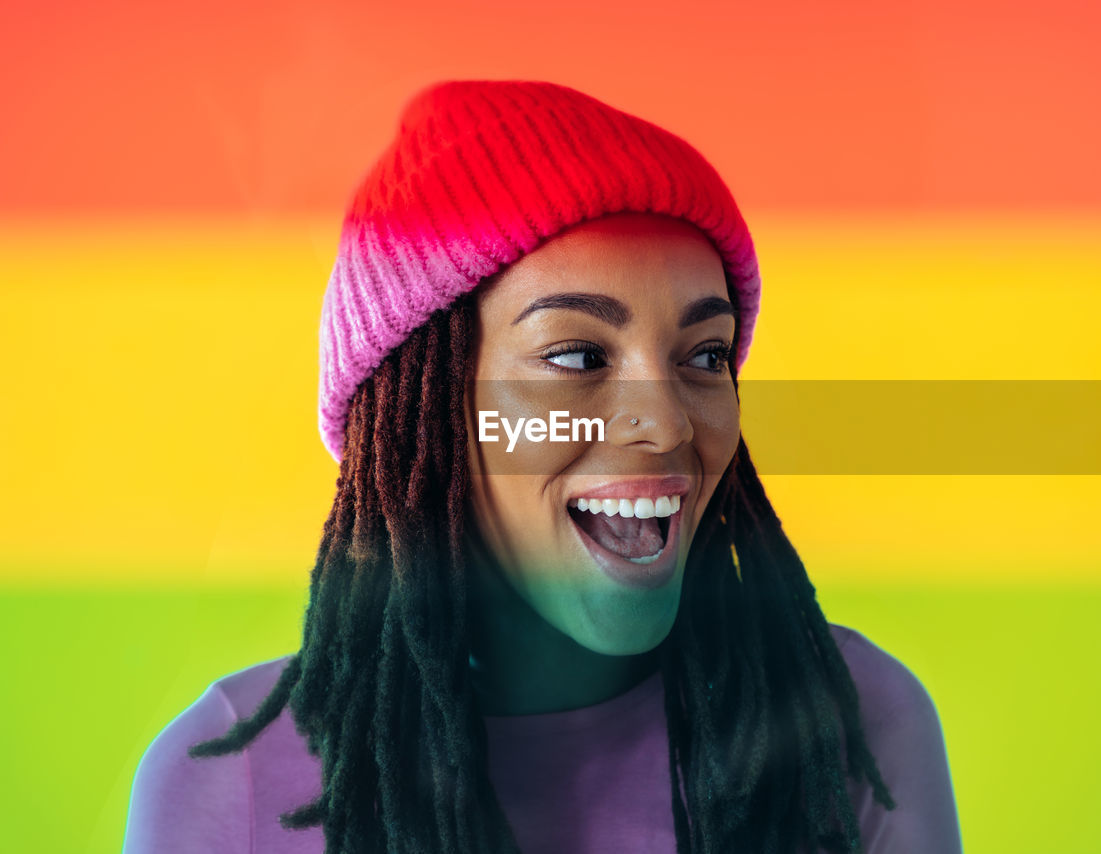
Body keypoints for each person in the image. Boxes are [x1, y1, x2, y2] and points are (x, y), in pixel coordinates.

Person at [123, 80, 962, 854]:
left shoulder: (853, 727)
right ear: (420, 418)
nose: (667, 423)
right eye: (575, 354)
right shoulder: (226, 784)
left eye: (704, 356)